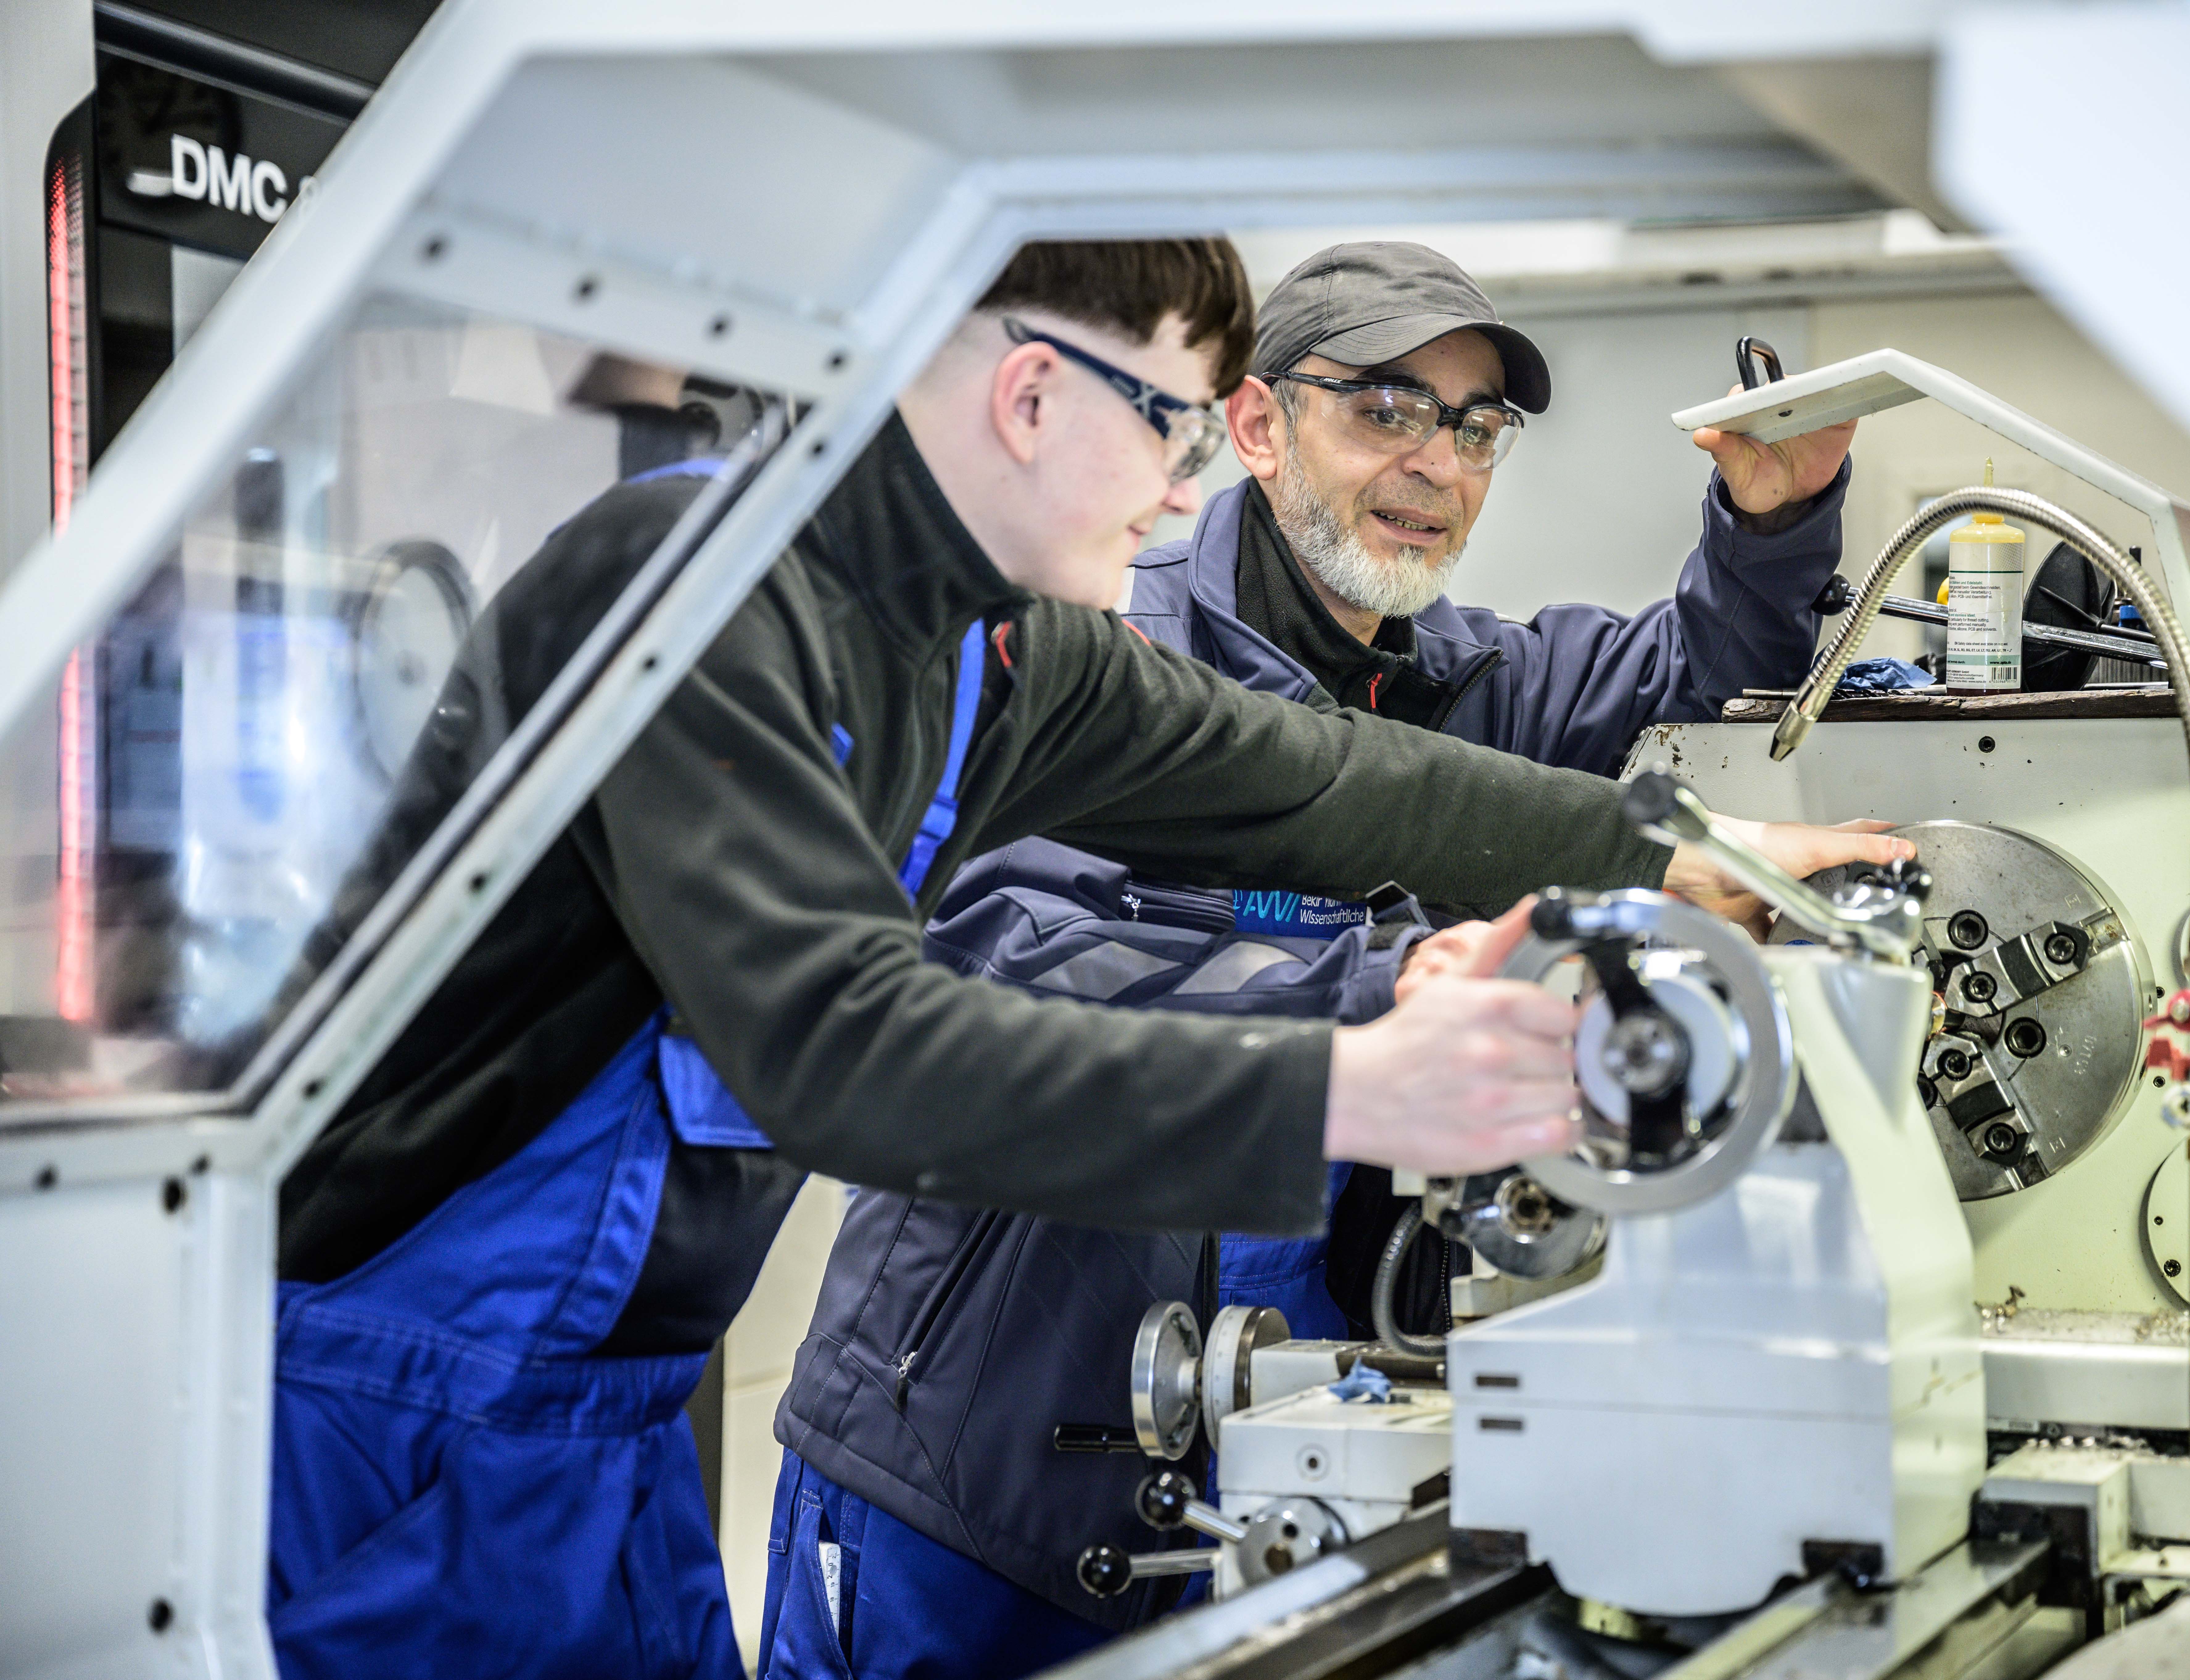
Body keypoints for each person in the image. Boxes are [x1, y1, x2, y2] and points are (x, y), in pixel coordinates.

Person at [258, 237, 1894, 1680]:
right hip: (386, 1425)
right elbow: (841, 1046)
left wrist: (1687, 862)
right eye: (1175, 424)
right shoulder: (687, 597)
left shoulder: (990, 646)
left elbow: (1321, 782)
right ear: (1033, 397)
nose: (1187, 488)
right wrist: (1355, 1070)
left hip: (598, 1441)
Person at [759, 242, 1882, 1680]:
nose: (1442, 464)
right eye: (1391, 410)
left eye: (1478, 428)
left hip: (1288, 1453)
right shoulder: (1098, 639)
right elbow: (1022, 967)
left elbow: (1689, 675)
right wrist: (1396, 983)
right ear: (1256, 425)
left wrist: (1772, 518)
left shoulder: (1469, 679)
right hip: (976, 1455)